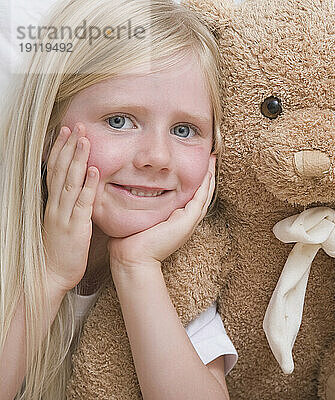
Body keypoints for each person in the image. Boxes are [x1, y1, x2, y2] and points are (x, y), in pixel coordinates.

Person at [0, 0, 237, 399]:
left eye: (184, 130)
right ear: (46, 131)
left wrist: (137, 267)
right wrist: (51, 277)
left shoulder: (187, 270)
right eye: (119, 121)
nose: (157, 157)